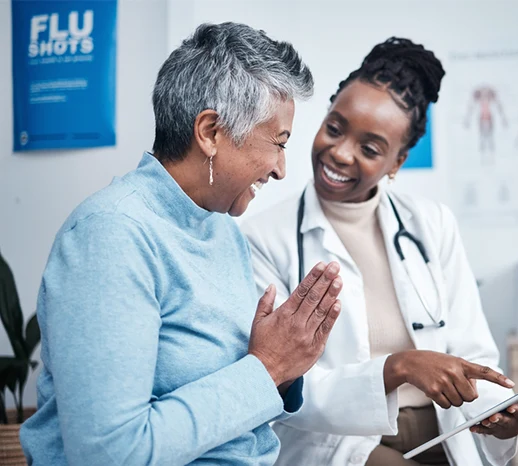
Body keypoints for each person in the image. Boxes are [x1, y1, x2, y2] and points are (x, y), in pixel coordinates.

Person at [20, 22, 344, 466]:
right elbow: (109, 453)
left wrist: (286, 367)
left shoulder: (221, 228)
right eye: (278, 143)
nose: (281, 169)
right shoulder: (112, 235)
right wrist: (267, 368)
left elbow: (235, 391)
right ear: (210, 132)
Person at [242, 38, 518, 466]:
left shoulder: (431, 224)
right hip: (338, 443)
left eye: (369, 149)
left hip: (446, 430)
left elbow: (472, 351)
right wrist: (396, 368)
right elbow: (280, 384)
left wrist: (497, 413)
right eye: (335, 127)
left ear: (397, 162)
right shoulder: (264, 237)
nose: (340, 152)